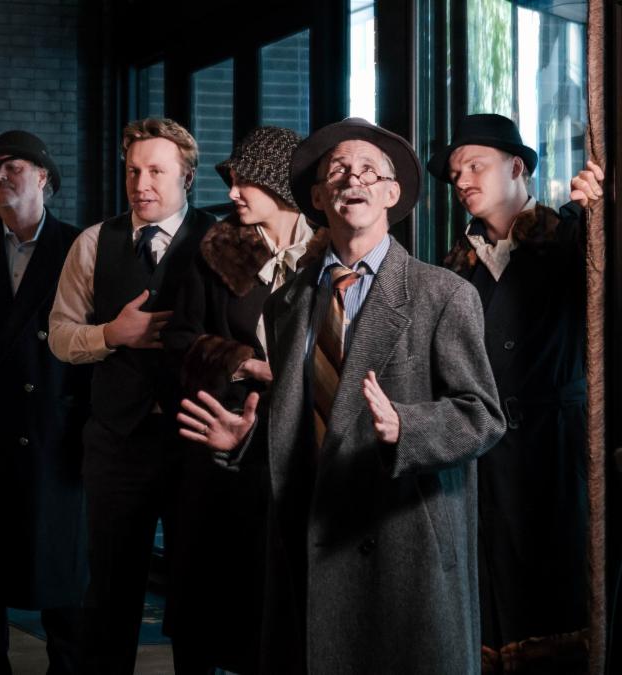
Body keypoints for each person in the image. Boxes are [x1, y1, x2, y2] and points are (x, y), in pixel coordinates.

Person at [178, 117, 505, 673]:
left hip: (403, 546)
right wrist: (247, 440)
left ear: (392, 194)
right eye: (337, 171)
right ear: (316, 198)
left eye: (369, 171)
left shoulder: (442, 294)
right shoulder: (286, 304)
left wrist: (406, 427)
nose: (353, 179)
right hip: (309, 538)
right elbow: (305, 417)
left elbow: (482, 417)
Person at [429, 113, 600, 672]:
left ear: (517, 167)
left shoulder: (572, 235)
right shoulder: (453, 268)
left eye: (475, 166)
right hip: (482, 459)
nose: (462, 180)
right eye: (455, 173)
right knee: (492, 608)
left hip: (557, 451)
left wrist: (600, 214)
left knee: (560, 608)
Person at [48, 117, 214, 673]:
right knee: (110, 594)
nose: (141, 184)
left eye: (156, 172)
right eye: (133, 171)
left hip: (196, 439)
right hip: (117, 441)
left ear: (186, 176)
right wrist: (110, 335)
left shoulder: (221, 240)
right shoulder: (93, 243)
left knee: (196, 592)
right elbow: (60, 335)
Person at [162, 126, 327, 674]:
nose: (232, 192)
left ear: (280, 183)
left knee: (283, 605)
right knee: (211, 603)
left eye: (244, 181)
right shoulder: (217, 252)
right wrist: (247, 364)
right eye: (231, 181)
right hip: (222, 444)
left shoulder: (329, 255)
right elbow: (179, 340)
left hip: (300, 444)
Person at [0, 130, 89, 674]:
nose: (0, 176)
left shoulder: (78, 246)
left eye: (13, 167)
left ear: (43, 178)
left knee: (63, 580)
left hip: (53, 433)